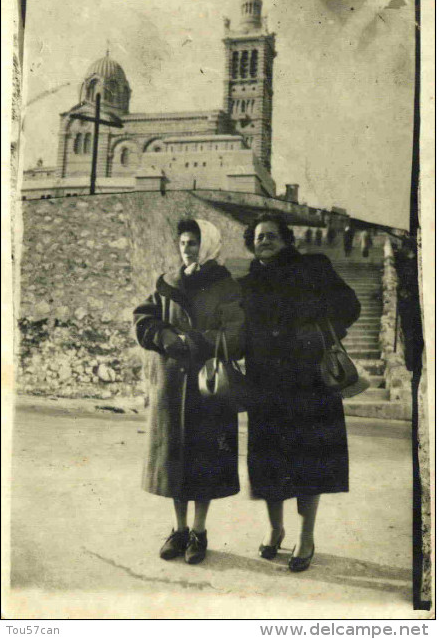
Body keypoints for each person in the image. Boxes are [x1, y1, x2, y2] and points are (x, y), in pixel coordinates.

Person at [239, 213, 360, 572]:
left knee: (310, 461)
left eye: (272, 235)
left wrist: (320, 331)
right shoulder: (246, 284)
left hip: (310, 382)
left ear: (287, 239)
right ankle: (275, 529)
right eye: (259, 236)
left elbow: (350, 306)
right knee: (268, 460)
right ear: (251, 242)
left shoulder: (314, 267)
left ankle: (306, 536)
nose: (265, 240)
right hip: (267, 385)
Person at [134, 218, 244, 565]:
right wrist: (164, 337)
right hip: (172, 384)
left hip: (209, 386)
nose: (187, 248)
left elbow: (237, 333)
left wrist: (194, 341)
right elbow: (143, 317)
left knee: (205, 459)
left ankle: (199, 531)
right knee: (175, 459)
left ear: (208, 245)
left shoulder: (225, 285)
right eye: (183, 243)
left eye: (194, 243)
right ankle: (179, 530)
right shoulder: (166, 282)